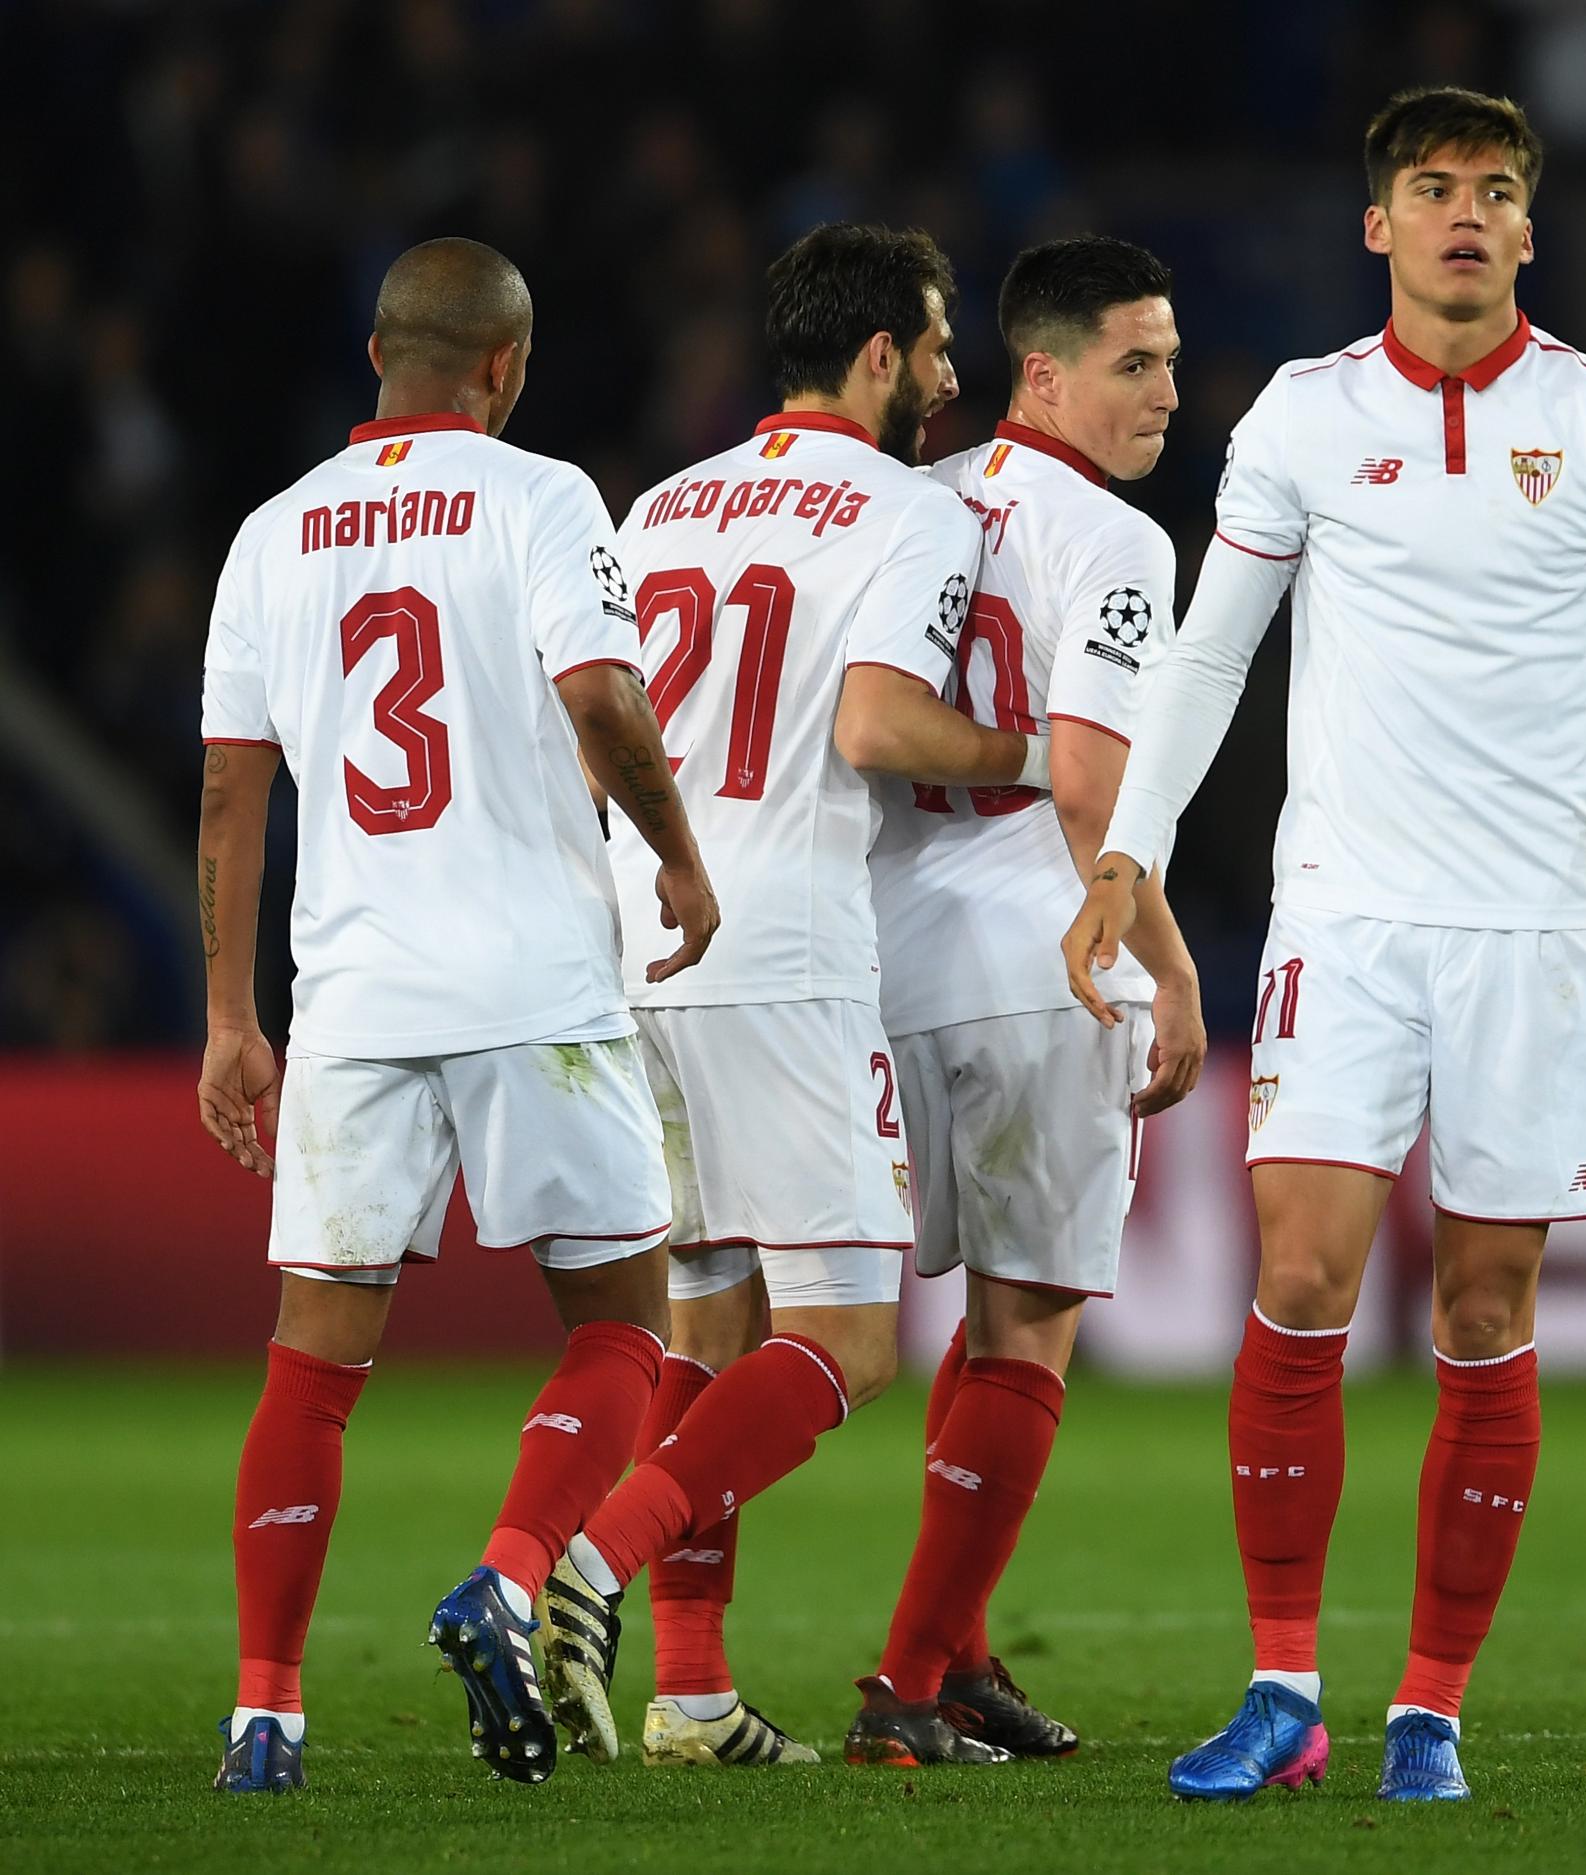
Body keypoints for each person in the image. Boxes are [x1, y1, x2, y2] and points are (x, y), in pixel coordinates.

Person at [1062, 87, 1586, 1803]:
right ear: (1376, 225)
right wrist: (1130, 853)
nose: (1466, 214)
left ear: (1533, 229)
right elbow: (1215, 655)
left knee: (1482, 1307)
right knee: (1299, 1282)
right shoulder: (1305, 418)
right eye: (1434, 189)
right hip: (1350, 920)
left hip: (1536, 929)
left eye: (1498, 191)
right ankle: (1287, 1689)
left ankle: (1432, 1709)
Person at [197, 237, 718, 1793]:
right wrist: (679, 860)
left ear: (378, 356)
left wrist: (231, 1015)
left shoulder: (271, 534)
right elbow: (606, 698)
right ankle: (504, 1576)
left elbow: (234, 790)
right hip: (532, 986)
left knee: (312, 1364)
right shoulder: (543, 496)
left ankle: (264, 1718)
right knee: (624, 1323)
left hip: (352, 993)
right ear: (506, 367)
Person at [532, 223, 1052, 1772]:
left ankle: (690, 1695)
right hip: (785, 948)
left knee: (707, 1315)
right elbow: (887, 724)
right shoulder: (910, 512)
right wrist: (1043, 757)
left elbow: (594, 724)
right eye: (941, 346)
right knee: (850, 1340)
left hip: (638, 936)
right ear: (879, 356)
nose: (957, 379)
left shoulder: (665, 502)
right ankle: (594, 1560)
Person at [852, 235, 1207, 1764]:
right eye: (1137, 363)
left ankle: (962, 1655)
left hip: (881, 951)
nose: (1170, 394)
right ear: (1042, 373)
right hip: (1031, 962)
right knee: (1034, 1328)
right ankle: (909, 1684)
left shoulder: (906, 503)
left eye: (1176, 362)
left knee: (981, 1321)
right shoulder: (1115, 542)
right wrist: (1175, 974)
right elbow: (1089, 790)